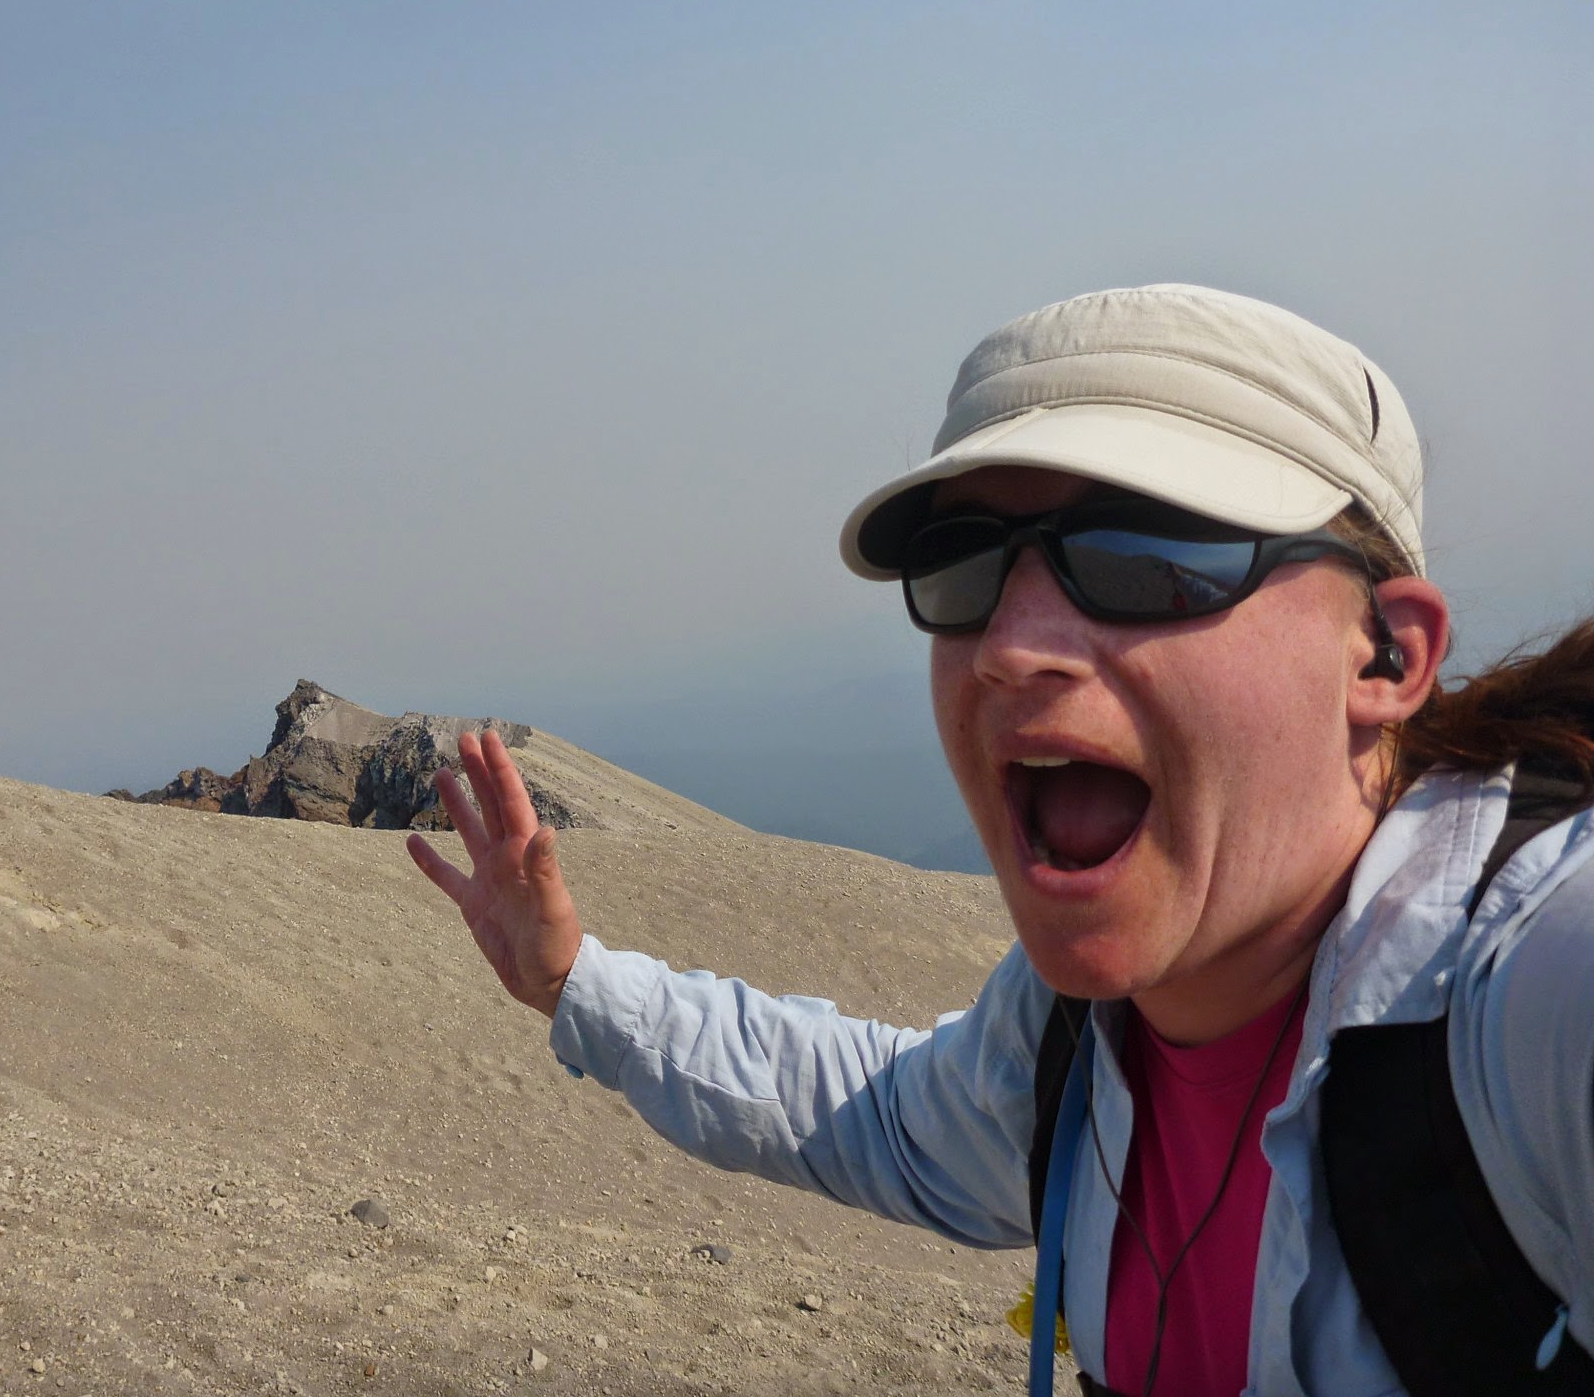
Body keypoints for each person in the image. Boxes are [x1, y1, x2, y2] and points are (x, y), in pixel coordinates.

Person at [403, 284, 1594, 1397]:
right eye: (965, 568)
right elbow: (868, 1113)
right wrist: (572, 981)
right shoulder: (1073, 1048)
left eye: (1146, 557)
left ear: (1385, 657)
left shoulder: (1524, 1006)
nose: (1010, 643)